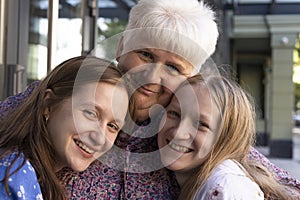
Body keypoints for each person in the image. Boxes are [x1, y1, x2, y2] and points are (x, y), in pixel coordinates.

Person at [0, 0, 299, 199]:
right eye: (145, 54)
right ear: (120, 48)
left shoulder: (185, 128)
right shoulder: (77, 89)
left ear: (189, 77)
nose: (153, 76)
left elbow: (280, 182)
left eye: (173, 67)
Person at [0, 56, 130, 200]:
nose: (99, 138)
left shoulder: (34, 176)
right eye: (90, 113)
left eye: (112, 126)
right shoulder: (12, 177)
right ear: (48, 104)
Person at [158, 72, 300, 199]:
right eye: (174, 114)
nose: (178, 132)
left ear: (227, 138)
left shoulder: (225, 188)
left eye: (201, 124)